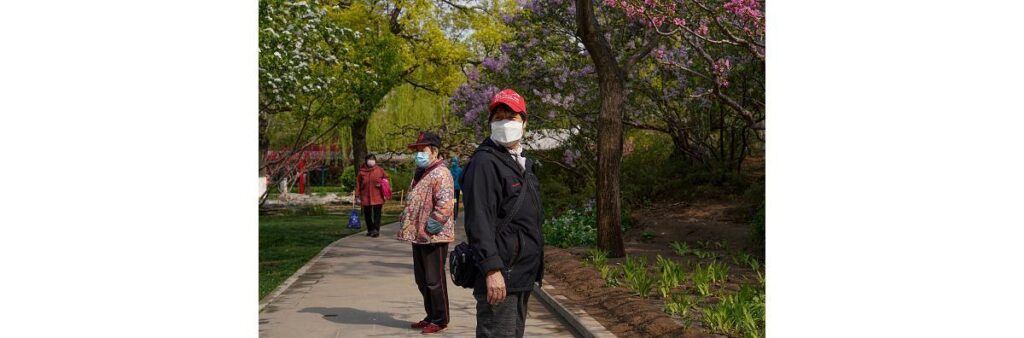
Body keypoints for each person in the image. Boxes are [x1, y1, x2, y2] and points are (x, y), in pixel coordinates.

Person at [463, 89, 544, 338]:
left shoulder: (522, 163)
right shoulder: (485, 163)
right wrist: (491, 269)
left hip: (520, 275)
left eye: (512, 117)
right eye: (498, 118)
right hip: (502, 275)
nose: (505, 123)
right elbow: (479, 221)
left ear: (524, 123)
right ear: (490, 124)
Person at [396, 131, 457, 335]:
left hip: (434, 236)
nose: (418, 155)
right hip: (418, 235)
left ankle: (440, 319)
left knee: (434, 280)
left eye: (423, 150)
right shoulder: (421, 172)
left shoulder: (441, 173)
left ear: (434, 151)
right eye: (417, 151)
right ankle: (430, 315)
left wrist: (431, 227)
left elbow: (445, 204)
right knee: (422, 279)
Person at [355, 153, 389, 237]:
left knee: (377, 214)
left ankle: (376, 230)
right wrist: (357, 196)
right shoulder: (361, 172)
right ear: (366, 161)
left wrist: (382, 184)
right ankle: (370, 230)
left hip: (377, 195)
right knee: (367, 214)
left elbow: (386, 180)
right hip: (365, 196)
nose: (371, 161)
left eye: (373, 159)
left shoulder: (380, 170)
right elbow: (358, 184)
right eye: (370, 159)